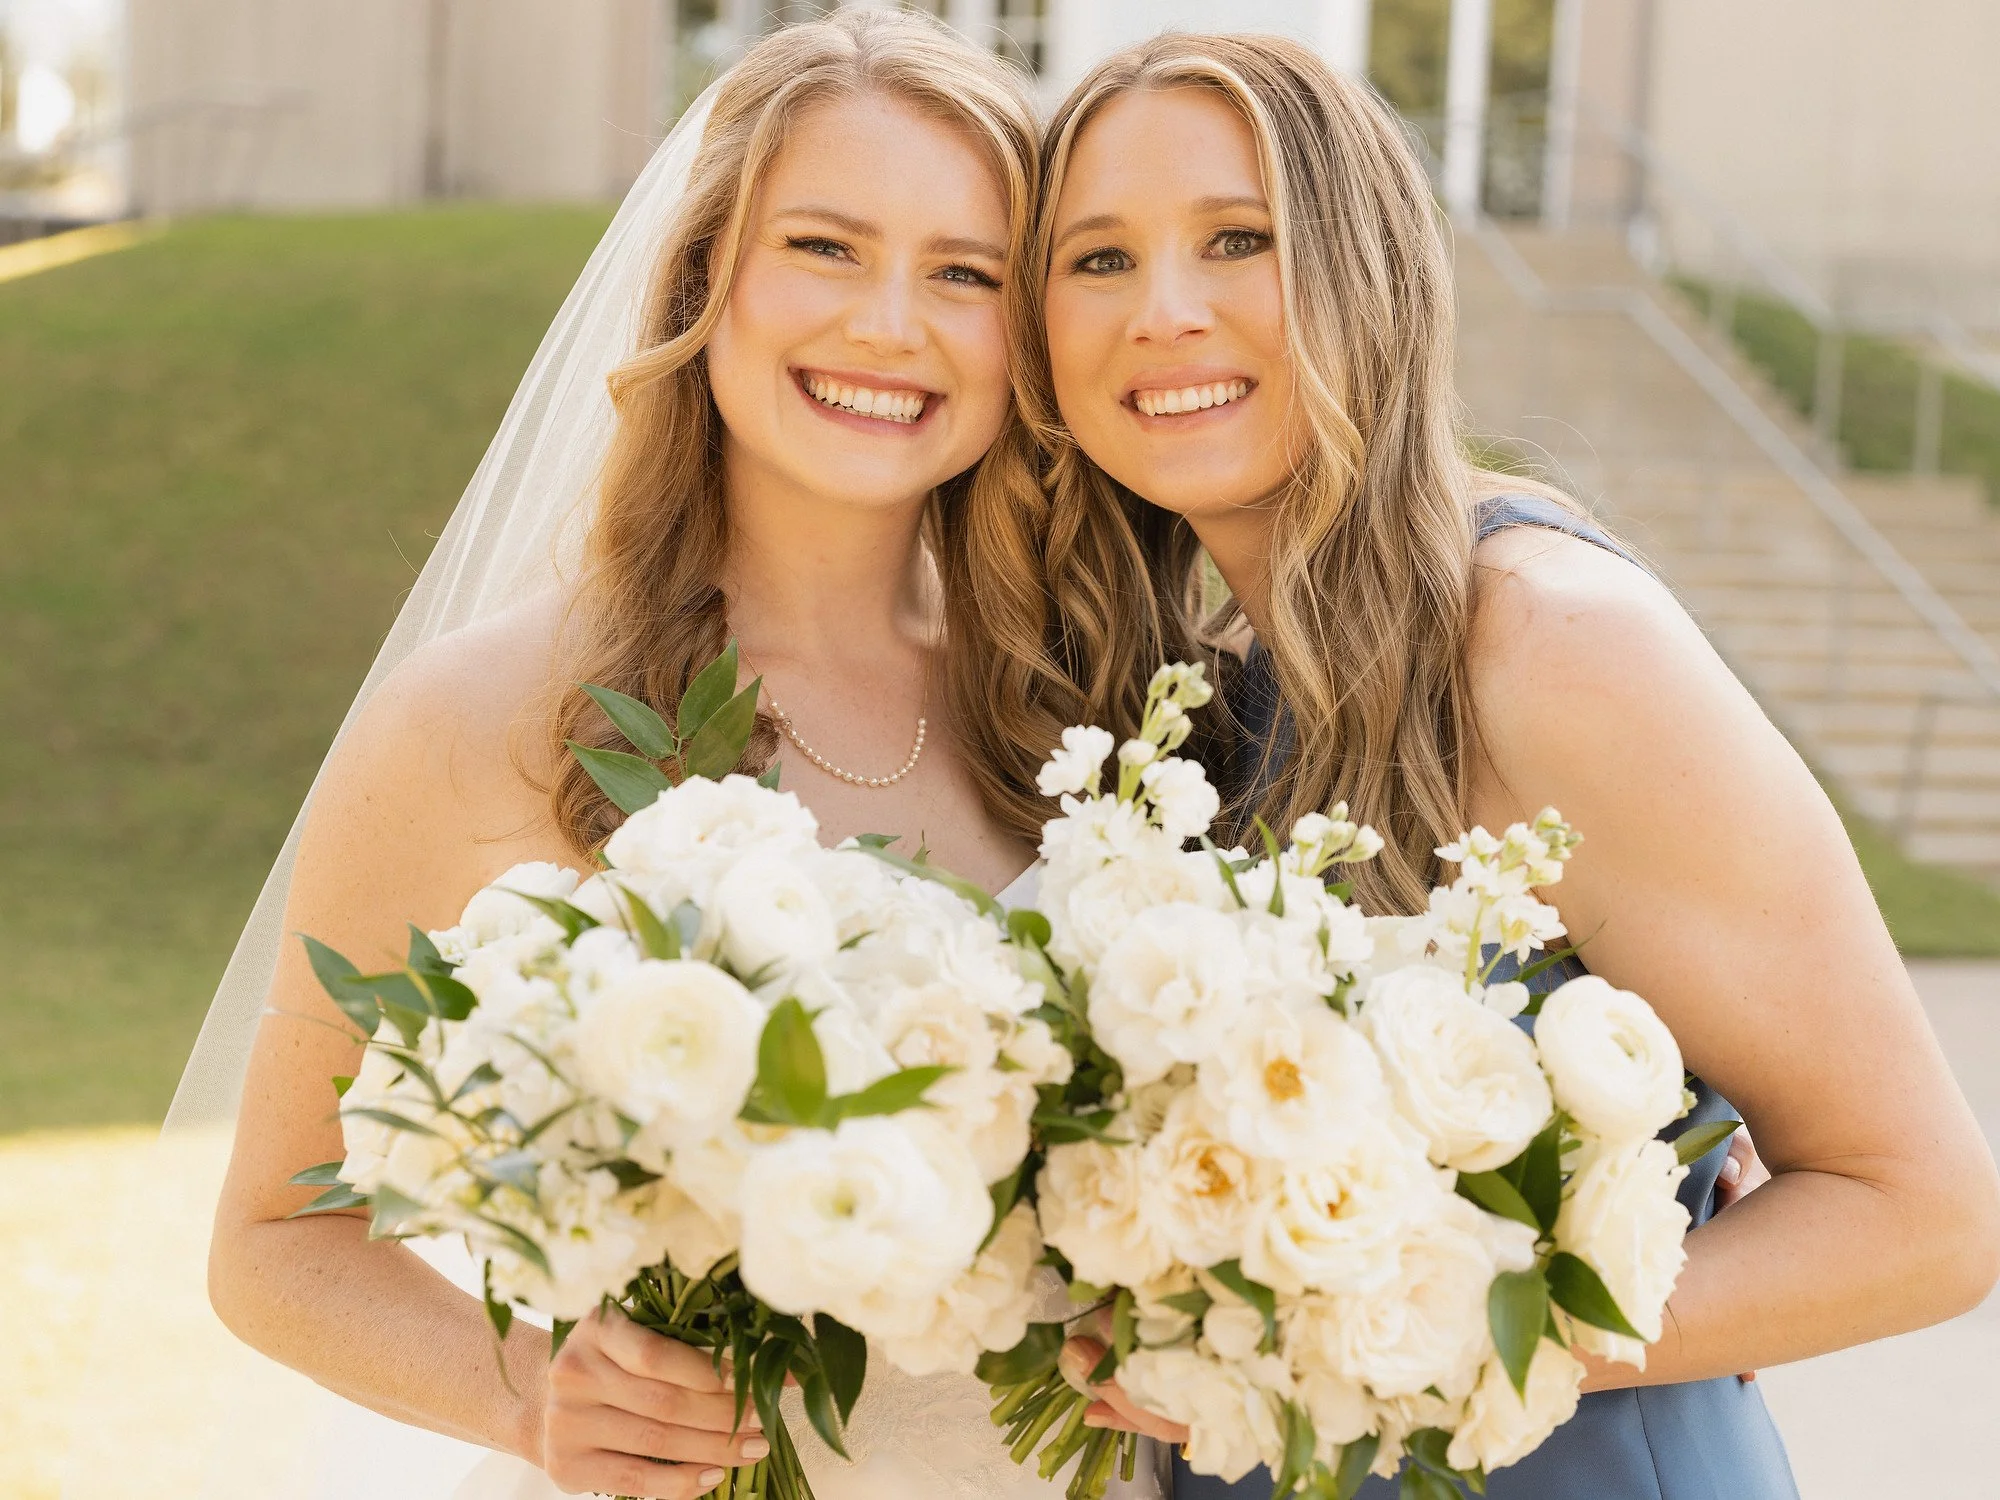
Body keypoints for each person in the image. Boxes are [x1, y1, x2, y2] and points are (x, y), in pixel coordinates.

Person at [987, 31, 2000, 1499]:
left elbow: (1924, 1216)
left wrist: (1392, 1337)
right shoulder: (1191, 709)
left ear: (1368, 269)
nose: (1165, 312)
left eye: (1239, 239)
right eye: (1098, 259)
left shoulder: (1547, 645)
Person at [198, 13, 1163, 1499]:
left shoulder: (1082, 705)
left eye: (961, 273)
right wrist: (527, 1393)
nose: (889, 326)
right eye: (825, 248)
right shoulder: (494, 715)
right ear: (705, 278)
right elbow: (274, 1239)